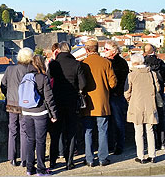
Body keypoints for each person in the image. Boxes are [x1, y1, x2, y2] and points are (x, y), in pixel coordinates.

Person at [48, 41, 86, 170]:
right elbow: (83, 84)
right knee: (71, 132)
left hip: (57, 101)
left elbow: (49, 81)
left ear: (59, 50)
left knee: (55, 133)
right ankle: (69, 162)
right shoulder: (76, 64)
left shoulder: (54, 64)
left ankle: (53, 161)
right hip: (71, 102)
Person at [80, 39, 117, 167]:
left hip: (87, 104)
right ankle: (102, 158)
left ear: (86, 50)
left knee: (88, 131)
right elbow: (113, 83)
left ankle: (89, 159)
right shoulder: (106, 63)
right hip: (102, 103)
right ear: (97, 49)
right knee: (103, 131)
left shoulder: (82, 63)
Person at [23, 55, 58, 176]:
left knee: (30, 140)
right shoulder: (43, 78)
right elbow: (49, 98)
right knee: (40, 141)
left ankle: (29, 168)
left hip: (26, 112)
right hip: (40, 112)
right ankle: (41, 169)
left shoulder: (25, 77)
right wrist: (53, 114)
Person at [0, 47, 34, 167]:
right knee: (24, 131)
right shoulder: (30, 70)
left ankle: (12, 158)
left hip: (11, 103)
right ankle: (24, 159)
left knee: (12, 130)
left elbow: (3, 85)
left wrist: (8, 95)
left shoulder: (9, 69)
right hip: (25, 104)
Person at [124, 54, 159, 164]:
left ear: (134, 63)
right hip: (150, 104)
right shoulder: (152, 74)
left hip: (136, 104)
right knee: (150, 130)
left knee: (138, 131)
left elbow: (127, 92)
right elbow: (157, 88)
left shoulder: (131, 75)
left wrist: (130, 100)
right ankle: (152, 155)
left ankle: (141, 156)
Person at [104, 40, 129, 155]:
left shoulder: (119, 63)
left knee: (118, 122)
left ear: (114, 51)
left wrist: (114, 92)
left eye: (106, 49)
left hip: (116, 96)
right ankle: (112, 146)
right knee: (110, 123)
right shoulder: (120, 62)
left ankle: (118, 146)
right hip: (113, 96)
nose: (104, 51)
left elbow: (122, 81)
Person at [143, 44, 165, 150]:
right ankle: (162, 142)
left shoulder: (143, 63)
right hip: (159, 94)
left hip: (146, 94)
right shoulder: (160, 63)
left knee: (148, 120)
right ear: (154, 50)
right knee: (160, 118)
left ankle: (150, 143)